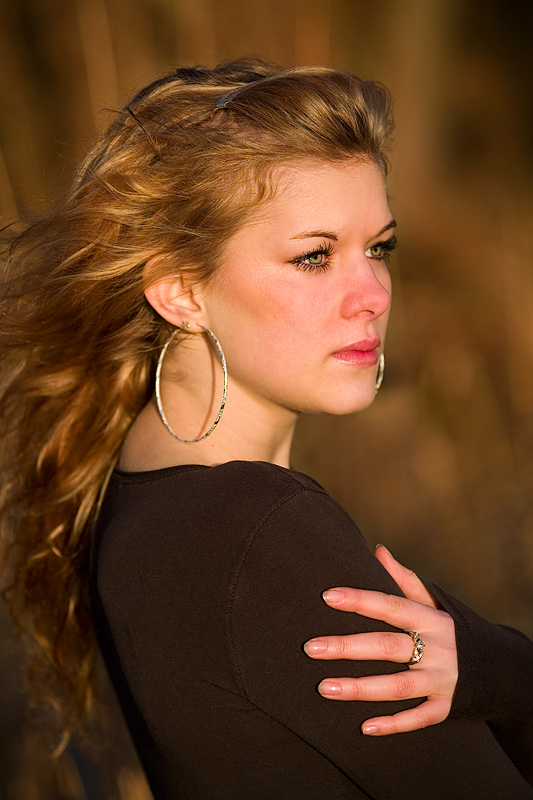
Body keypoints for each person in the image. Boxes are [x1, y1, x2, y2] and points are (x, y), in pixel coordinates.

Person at [0, 58, 531, 800]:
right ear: (180, 290)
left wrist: (482, 663)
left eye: (378, 248)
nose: (373, 295)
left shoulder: (141, 486)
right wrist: (497, 668)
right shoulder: (263, 531)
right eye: (314, 257)